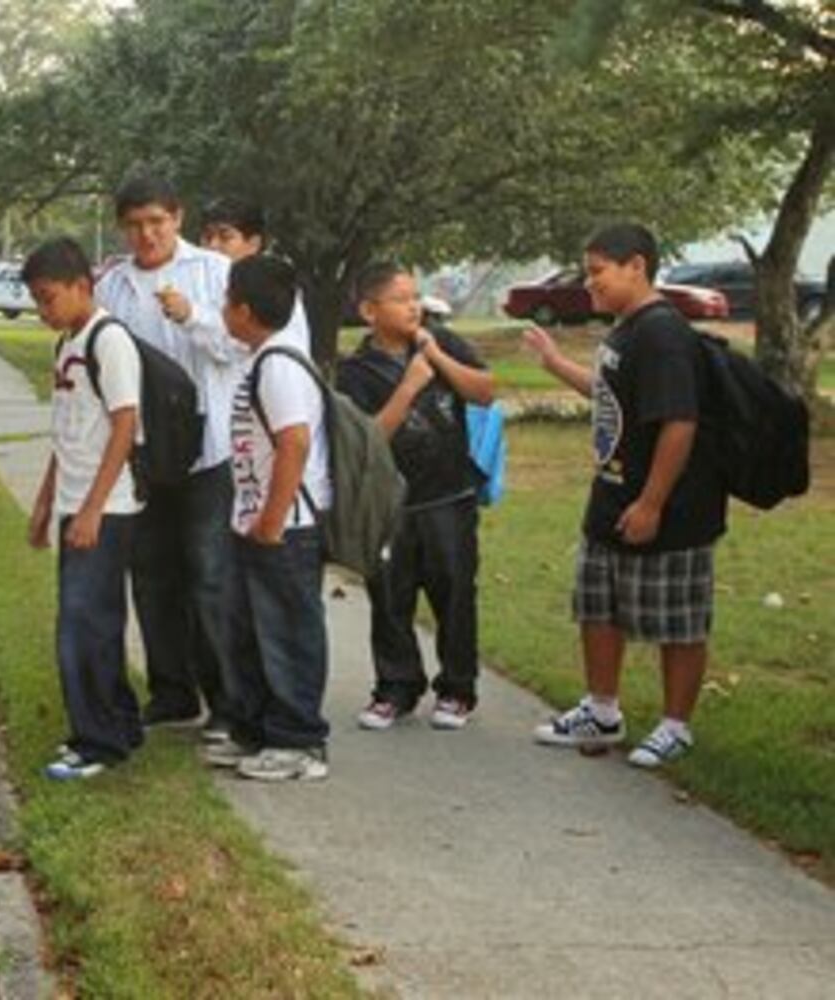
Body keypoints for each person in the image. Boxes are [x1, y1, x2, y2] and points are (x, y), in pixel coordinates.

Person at [94, 180, 310, 739]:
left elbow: (244, 346)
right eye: (135, 224)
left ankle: (231, 702)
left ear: (177, 218)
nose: (147, 234)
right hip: (144, 454)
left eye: (157, 222)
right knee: (152, 576)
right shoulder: (113, 285)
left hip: (210, 450)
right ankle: (172, 691)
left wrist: (193, 317)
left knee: (213, 578)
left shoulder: (215, 274)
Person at [523, 223, 727, 768]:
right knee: (598, 607)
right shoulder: (626, 329)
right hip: (611, 495)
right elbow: (613, 396)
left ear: (636, 266)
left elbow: (679, 422)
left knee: (678, 619)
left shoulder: (663, 334)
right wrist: (555, 364)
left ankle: (675, 725)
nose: (590, 284)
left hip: (671, 509)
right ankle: (602, 709)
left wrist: (652, 502)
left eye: (597, 272)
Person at [336, 263, 496, 730]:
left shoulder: (440, 341)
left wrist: (436, 359)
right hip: (390, 504)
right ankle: (395, 687)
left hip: (448, 495)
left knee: (455, 592)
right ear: (369, 310)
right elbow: (368, 439)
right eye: (401, 298)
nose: (414, 306)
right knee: (390, 596)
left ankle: (457, 689)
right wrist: (408, 386)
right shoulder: (354, 371)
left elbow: (485, 392)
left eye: (416, 296)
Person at [206, 254, 333, 782]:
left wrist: (272, 522)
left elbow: (294, 443)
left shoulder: (279, 364)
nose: (221, 308)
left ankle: (300, 742)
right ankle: (255, 730)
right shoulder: (263, 358)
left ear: (244, 308)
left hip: (285, 529)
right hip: (254, 524)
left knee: (287, 633)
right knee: (250, 633)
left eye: (227, 299)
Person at [24, 237, 145, 780]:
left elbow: (125, 425)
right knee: (93, 624)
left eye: (49, 298)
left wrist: (94, 508)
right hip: (73, 502)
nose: (43, 310)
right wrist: (47, 500)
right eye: (37, 300)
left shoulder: (109, 341)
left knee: (81, 627)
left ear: (82, 286)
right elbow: (67, 431)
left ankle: (97, 742)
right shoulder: (66, 344)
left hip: (108, 507)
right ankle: (118, 725)